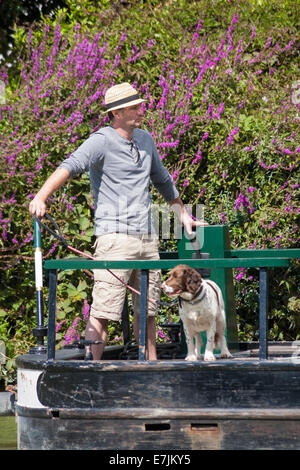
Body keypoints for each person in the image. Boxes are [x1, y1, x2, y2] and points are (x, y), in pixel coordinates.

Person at [29, 82, 205, 360]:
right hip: (115, 240)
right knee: (103, 311)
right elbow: (70, 165)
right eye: (135, 106)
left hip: (147, 239)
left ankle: (150, 369)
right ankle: (93, 374)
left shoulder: (146, 140)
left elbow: (162, 180)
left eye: (139, 105)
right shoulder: (101, 141)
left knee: (147, 311)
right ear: (117, 113)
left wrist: (183, 215)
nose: (141, 109)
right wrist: (41, 197)